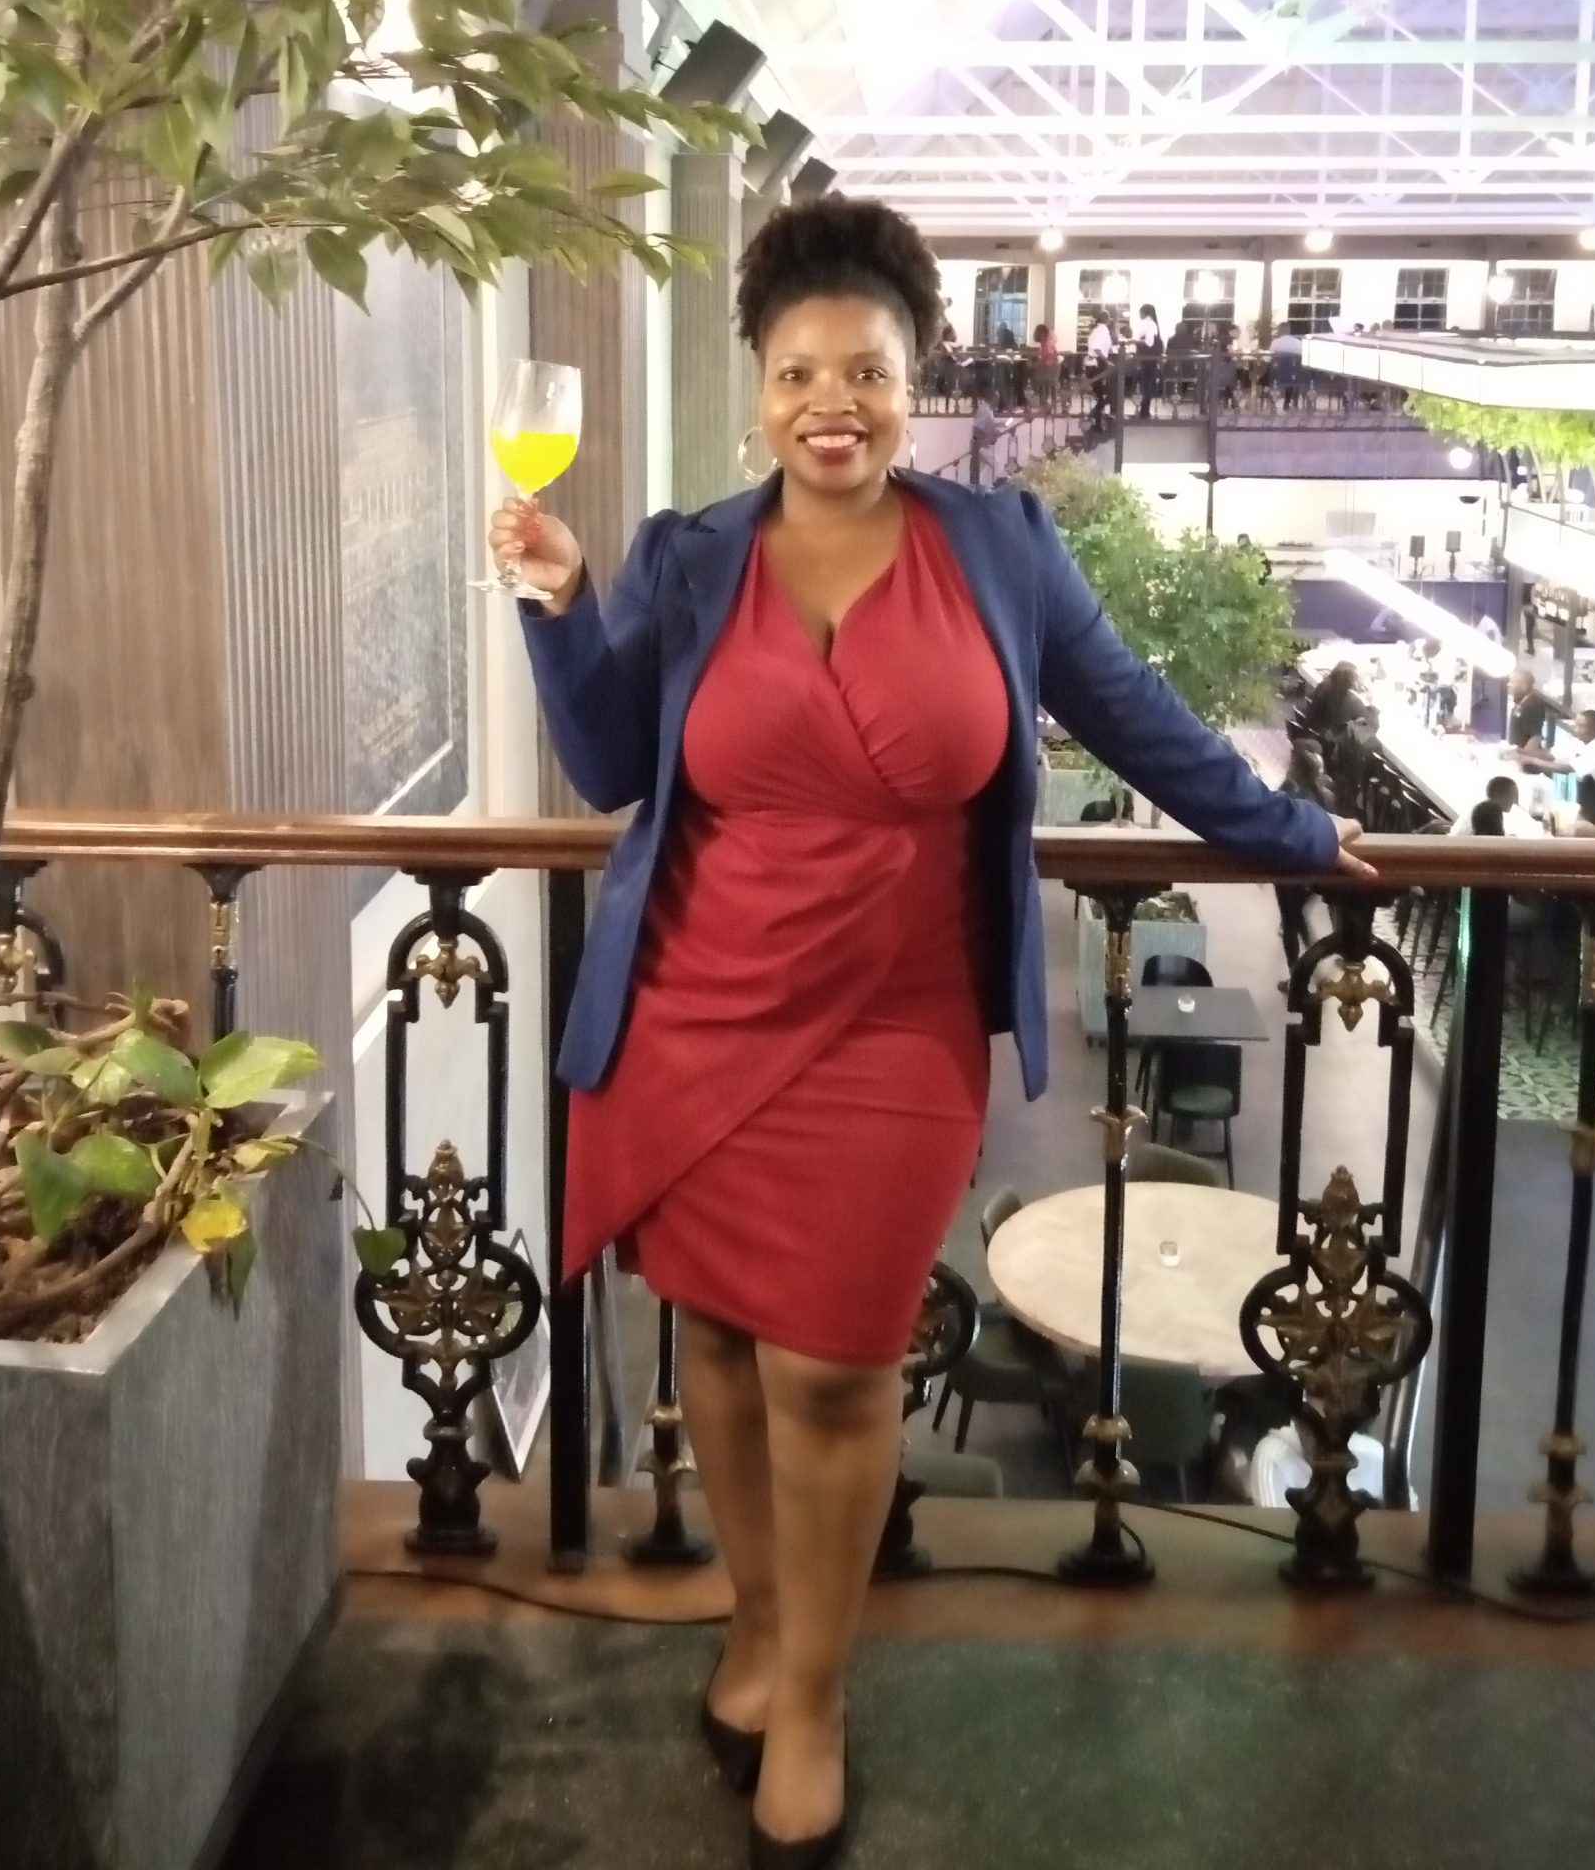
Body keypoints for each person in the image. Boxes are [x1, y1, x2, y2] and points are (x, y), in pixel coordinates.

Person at [490, 196, 1366, 1869]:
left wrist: (1294, 832)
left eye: (868, 372)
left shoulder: (1001, 550)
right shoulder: (689, 556)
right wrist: (562, 598)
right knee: (719, 1343)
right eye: (799, 372)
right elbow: (608, 765)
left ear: (915, 381)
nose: (833, 402)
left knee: (834, 1362)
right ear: (761, 388)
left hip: (898, 1027)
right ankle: (758, 1630)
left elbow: (1140, 719)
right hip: (699, 1003)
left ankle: (814, 1697)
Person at [1275, 738, 1338, 967]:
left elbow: (1276, 825)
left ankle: (1299, 971)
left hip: (1288, 866)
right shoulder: (1325, 795)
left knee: (1290, 921)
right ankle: (1312, 962)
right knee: (1297, 916)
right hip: (1317, 865)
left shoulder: (1287, 792)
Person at [1446, 774, 1544, 843]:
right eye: (1514, 796)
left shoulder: (1480, 807)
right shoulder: (1490, 811)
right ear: (1503, 795)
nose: (1515, 801)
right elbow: (1494, 843)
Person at [1503, 664, 1549, 754]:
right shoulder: (1520, 703)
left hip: (1524, 757)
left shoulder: (1533, 705)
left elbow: (1535, 737)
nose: (1508, 685)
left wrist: (1523, 756)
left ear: (1524, 686)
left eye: (1512, 682)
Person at [1134, 303, 1162, 419]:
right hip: (1150, 358)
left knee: (1146, 383)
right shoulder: (1153, 324)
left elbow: (1149, 342)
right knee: (1147, 383)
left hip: (1147, 358)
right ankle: (1145, 409)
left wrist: (1134, 341)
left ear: (1145, 312)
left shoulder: (1148, 324)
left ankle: (1144, 409)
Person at [1270, 319, 1304, 410]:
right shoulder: (1297, 342)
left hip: (1277, 374)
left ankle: (1272, 403)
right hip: (1293, 374)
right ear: (1289, 331)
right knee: (1293, 380)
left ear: (1279, 331)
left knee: (1266, 375)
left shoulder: (1275, 342)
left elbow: (1269, 357)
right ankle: (1290, 402)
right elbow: (1301, 357)